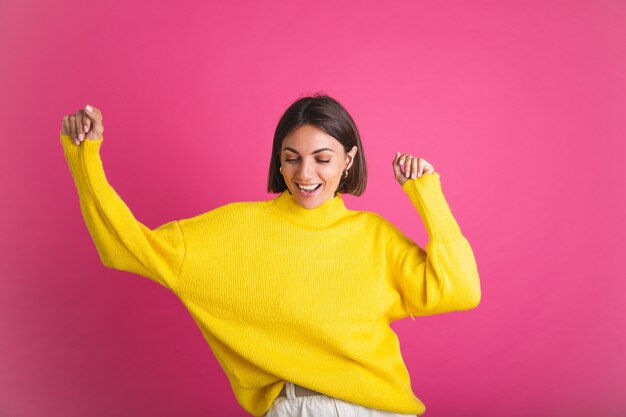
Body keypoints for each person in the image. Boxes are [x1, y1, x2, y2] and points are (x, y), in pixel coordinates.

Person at [60, 94, 481, 417]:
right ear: (279, 163)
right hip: (292, 408)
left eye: (322, 158)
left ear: (348, 161)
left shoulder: (375, 237)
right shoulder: (235, 229)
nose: (305, 174)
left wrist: (427, 194)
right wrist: (86, 159)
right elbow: (124, 247)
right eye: (291, 159)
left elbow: (460, 291)